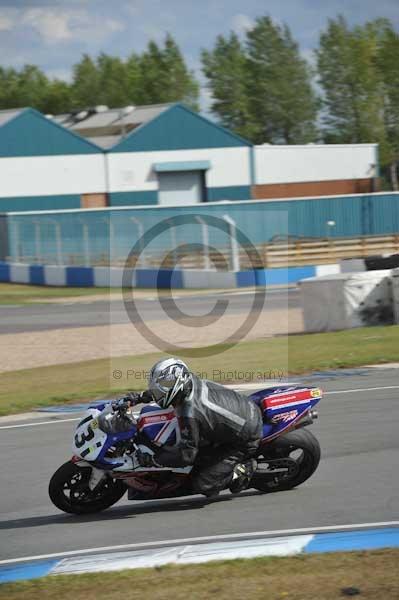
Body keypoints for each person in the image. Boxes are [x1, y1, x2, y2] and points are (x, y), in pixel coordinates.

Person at [118, 358, 263, 497]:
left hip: (245, 438)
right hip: (241, 413)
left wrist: (153, 460)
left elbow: (186, 455)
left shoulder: (190, 412)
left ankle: (243, 470)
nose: (159, 390)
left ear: (178, 383)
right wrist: (139, 397)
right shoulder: (188, 383)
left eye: (164, 385)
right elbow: (164, 391)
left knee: (203, 484)